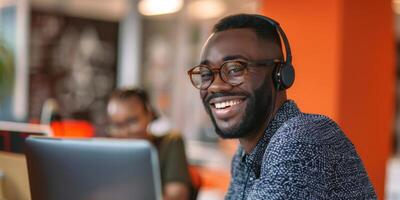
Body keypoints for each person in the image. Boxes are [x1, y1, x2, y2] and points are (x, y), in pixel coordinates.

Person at [187, 13, 377, 199]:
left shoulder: (303, 138)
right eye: (205, 74)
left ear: (280, 75)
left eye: (235, 69)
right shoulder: (244, 156)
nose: (216, 85)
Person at [107, 88, 194, 200]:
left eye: (132, 121)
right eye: (117, 125)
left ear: (149, 114)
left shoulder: (171, 143)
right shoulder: (108, 152)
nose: (125, 131)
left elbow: (177, 197)